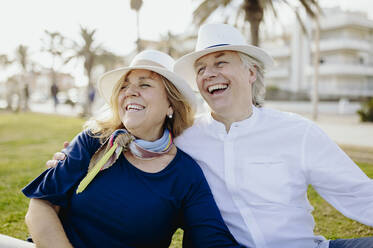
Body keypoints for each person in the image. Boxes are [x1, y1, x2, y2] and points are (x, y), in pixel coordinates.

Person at [48, 24, 373, 248]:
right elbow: (137, 139)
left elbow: (359, 195)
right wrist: (69, 161)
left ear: (250, 72)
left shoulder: (298, 132)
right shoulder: (185, 138)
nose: (209, 73)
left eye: (221, 62)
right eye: (201, 68)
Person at [22, 50, 244, 248]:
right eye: (125, 86)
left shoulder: (186, 174)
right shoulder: (93, 141)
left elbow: (211, 240)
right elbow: (41, 205)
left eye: (144, 84)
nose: (130, 92)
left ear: (170, 105)